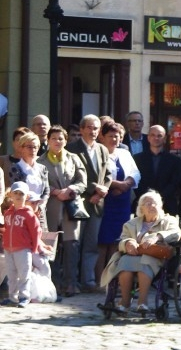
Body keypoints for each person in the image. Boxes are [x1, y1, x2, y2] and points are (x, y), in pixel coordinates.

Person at [99, 190, 181, 315]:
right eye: (147, 203)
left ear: (160, 206)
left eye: (155, 203)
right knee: (124, 262)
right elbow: (122, 239)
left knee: (145, 262)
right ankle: (125, 302)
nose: (152, 206)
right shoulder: (131, 223)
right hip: (133, 254)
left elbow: (175, 234)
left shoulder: (168, 221)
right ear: (141, 208)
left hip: (155, 257)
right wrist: (127, 243)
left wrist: (157, 237)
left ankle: (143, 302)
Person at [39, 126, 87, 297]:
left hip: (70, 207)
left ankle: (71, 283)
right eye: (54, 138)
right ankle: (53, 283)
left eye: (61, 139)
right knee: (49, 245)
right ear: (48, 140)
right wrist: (53, 191)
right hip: (50, 207)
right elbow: (39, 182)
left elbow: (83, 182)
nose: (57, 142)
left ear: (66, 141)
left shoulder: (74, 159)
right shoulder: (40, 160)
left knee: (71, 246)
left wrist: (71, 190)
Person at [67, 114, 112, 292]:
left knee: (91, 244)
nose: (93, 131)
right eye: (90, 128)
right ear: (82, 129)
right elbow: (72, 176)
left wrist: (103, 191)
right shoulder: (72, 148)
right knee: (74, 244)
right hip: (79, 202)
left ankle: (89, 280)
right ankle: (72, 281)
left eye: (96, 128)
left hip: (97, 204)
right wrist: (94, 189)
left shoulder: (102, 149)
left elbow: (108, 175)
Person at [96, 121, 141, 285]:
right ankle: (99, 279)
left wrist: (125, 185)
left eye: (117, 136)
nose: (114, 139)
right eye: (110, 136)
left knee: (117, 241)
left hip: (122, 202)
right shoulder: (98, 152)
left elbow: (135, 173)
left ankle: (114, 279)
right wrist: (115, 185)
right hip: (105, 201)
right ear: (102, 136)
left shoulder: (124, 153)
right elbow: (97, 177)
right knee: (103, 242)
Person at [2, 182, 51, 308]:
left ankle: (24, 296)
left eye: (21, 194)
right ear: (10, 195)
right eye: (16, 193)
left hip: (23, 249)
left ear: (26, 197)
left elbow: (36, 232)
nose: (18, 196)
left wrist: (34, 248)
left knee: (24, 274)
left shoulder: (29, 214)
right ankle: (12, 297)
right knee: (11, 274)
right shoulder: (7, 213)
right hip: (9, 249)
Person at [136, 124, 181, 216]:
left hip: (167, 205)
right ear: (148, 138)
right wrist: (148, 197)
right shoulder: (137, 159)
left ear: (165, 139)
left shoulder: (175, 160)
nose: (156, 138)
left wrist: (160, 197)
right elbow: (137, 181)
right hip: (144, 204)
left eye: (159, 135)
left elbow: (175, 182)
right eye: (153, 135)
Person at [9, 131, 50, 224]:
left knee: (42, 237)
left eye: (35, 147)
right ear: (21, 148)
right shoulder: (15, 168)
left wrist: (40, 206)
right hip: (22, 212)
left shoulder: (42, 168)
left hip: (40, 212)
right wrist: (30, 207)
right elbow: (17, 191)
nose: (33, 150)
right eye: (29, 147)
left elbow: (46, 191)